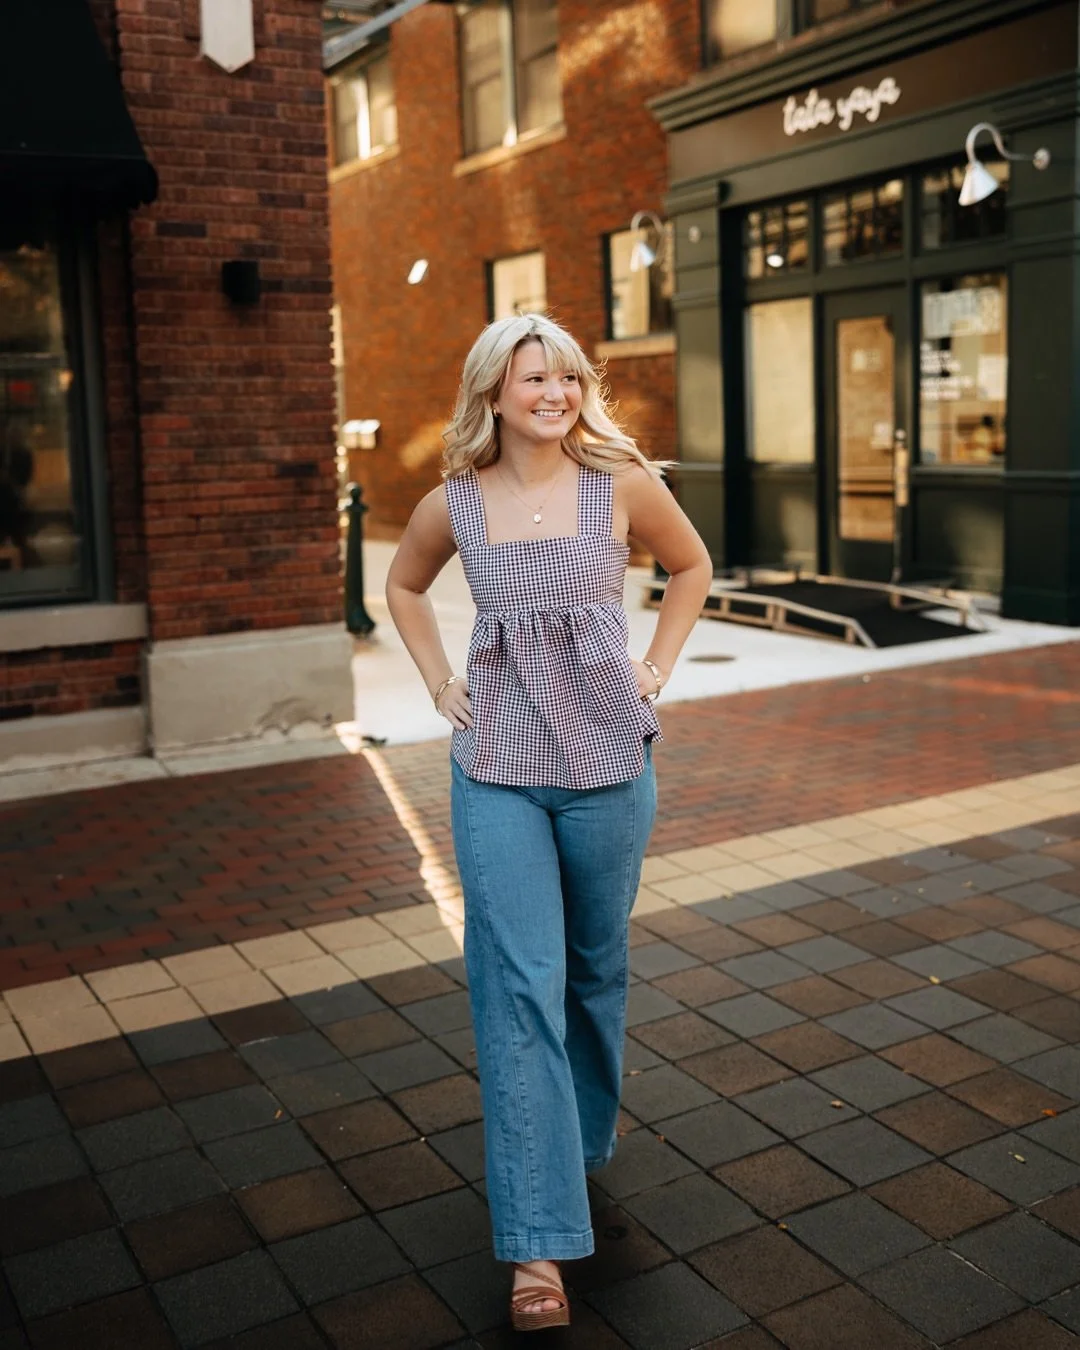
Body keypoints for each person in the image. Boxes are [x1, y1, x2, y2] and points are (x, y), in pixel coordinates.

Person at [385, 313, 712, 1331]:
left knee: (594, 967)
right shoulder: (456, 500)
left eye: (568, 377)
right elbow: (403, 585)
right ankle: (538, 1245)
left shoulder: (621, 482)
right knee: (518, 987)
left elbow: (692, 567)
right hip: (498, 770)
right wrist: (440, 683)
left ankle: (577, 1143)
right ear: (493, 391)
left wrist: (656, 667)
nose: (556, 394)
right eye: (535, 379)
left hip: (609, 765)